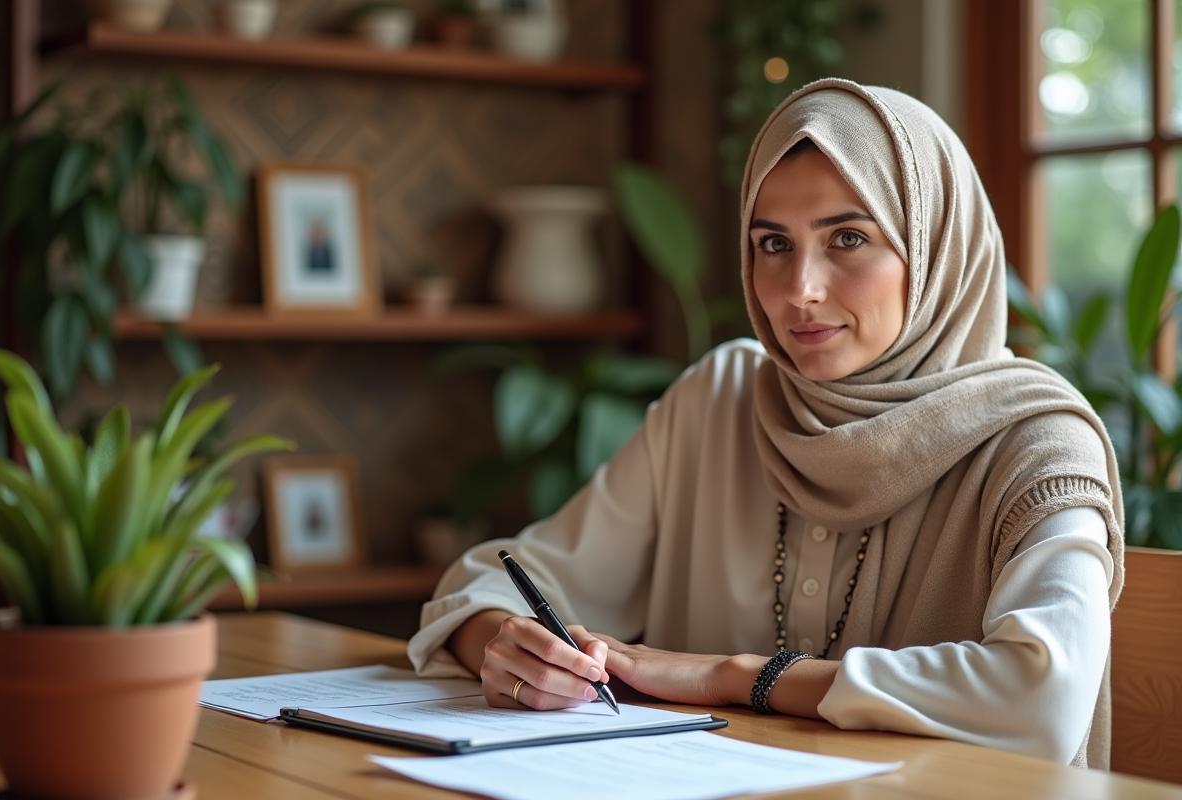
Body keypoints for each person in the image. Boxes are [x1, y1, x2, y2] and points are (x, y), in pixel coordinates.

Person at [407, 79, 1124, 768]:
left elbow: (1043, 697)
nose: (799, 292)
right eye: (773, 244)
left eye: (847, 238)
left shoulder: (1039, 445)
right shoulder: (721, 398)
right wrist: (504, 645)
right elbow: (498, 583)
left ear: (934, 248)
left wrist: (735, 677)